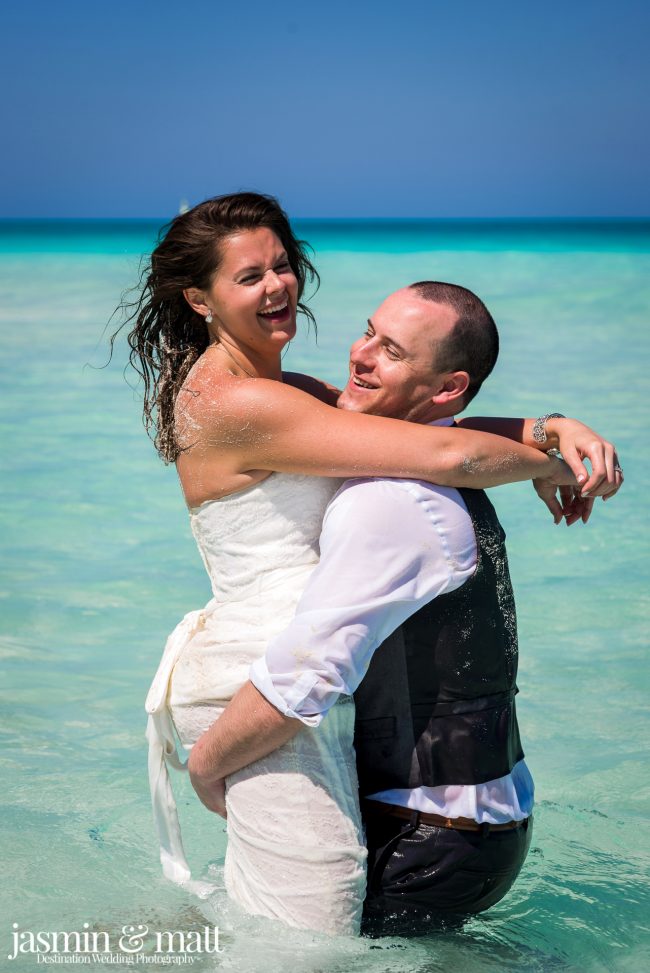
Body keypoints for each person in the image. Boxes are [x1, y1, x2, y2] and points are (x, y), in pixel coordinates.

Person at [118, 191, 619, 935]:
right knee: (307, 942)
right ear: (200, 298)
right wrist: (546, 457)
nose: (278, 285)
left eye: (282, 265)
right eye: (248, 276)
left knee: (282, 922)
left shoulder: (274, 390)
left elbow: (405, 423)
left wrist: (546, 432)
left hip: (287, 685)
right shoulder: (242, 405)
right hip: (261, 690)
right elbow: (445, 449)